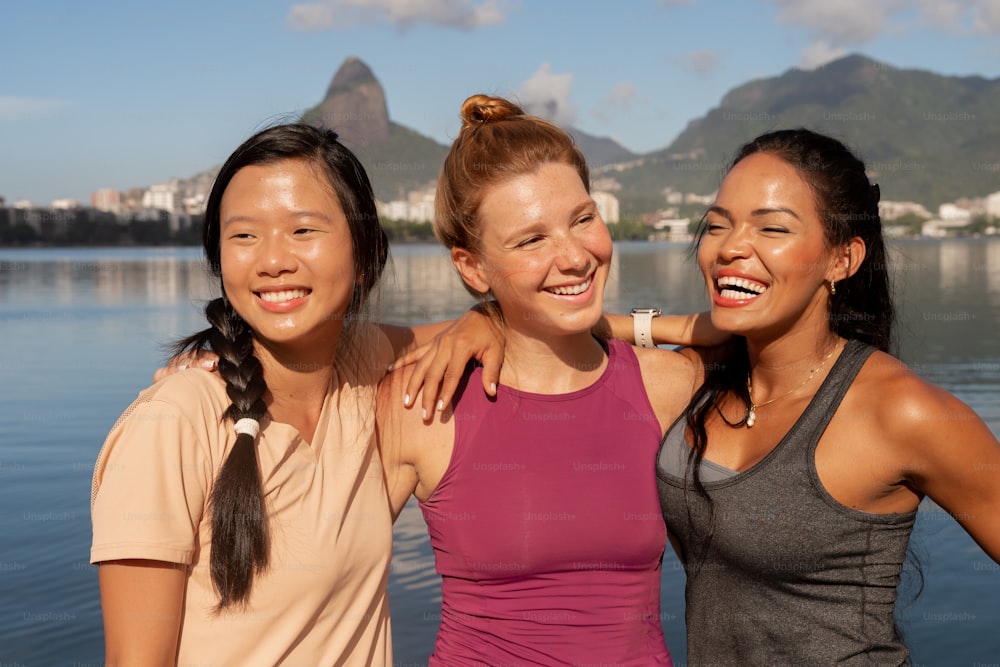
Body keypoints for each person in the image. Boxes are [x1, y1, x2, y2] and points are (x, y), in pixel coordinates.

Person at [89, 123, 495, 665]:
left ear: (365, 249)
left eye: (303, 231)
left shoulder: (359, 366)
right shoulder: (172, 424)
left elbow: (526, 325)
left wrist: (484, 320)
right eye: (244, 235)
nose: (272, 260)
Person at [653, 128, 1000, 665]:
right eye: (718, 225)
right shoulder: (695, 382)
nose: (730, 248)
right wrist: (483, 325)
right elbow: (558, 348)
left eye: (772, 228)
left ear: (843, 259)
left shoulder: (901, 411)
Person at [375, 94, 700, 666]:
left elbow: (778, 348)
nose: (575, 257)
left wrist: (655, 327)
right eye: (531, 240)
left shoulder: (669, 386)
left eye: (583, 219)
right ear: (471, 266)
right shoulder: (423, 403)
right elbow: (322, 588)